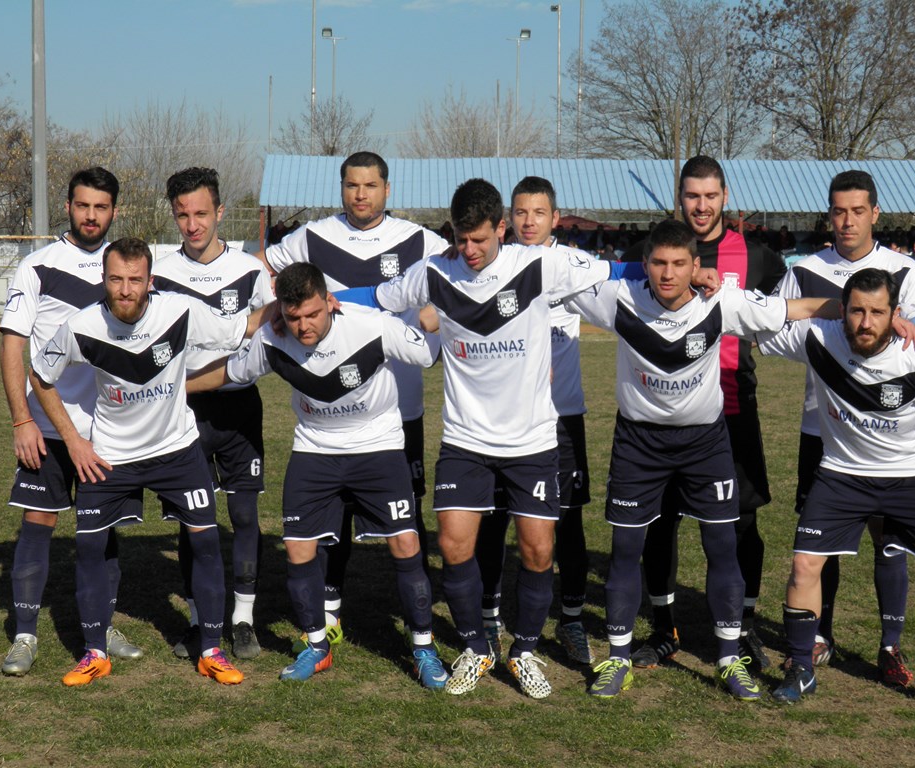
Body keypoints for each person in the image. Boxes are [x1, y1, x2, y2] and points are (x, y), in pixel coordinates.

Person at [337, 177, 627, 698]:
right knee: (452, 545)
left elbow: (622, 271)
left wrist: (694, 273)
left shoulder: (538, 266)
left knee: (538, 551)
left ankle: (524, 652)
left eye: (480, 239)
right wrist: (321, 298)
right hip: (465, 438)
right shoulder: (434, 271)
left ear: (501, 229)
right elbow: (375, 297)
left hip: (531, 442)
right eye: (461, 239)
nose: (469, 250)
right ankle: (476, 647)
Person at [568, 219, 836, 700]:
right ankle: (618, 658)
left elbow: (793, 308)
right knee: (626, 550)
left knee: (722, 545)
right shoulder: (618, 299)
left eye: (679, 263)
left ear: (696, 265)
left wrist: (872, 309)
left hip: (705, 444)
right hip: (638, 445)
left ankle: (729, 659)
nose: (667, 273)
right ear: (644, 264)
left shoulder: (721, 302)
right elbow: (550, 279)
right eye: (658, 263)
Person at [189, 262, 448, 688]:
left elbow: (429, 352)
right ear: (281, 311)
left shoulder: (372, 326)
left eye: (312, 314)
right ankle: (316, 645)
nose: (304, 326)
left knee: (405, 542)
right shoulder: (272, 339)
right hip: (315, 450)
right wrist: (174, 387)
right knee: (297, 548)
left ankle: (423, 648)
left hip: (377, 446)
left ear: (330, 302)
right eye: (294, 317)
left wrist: (444, 312)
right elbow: (230, 372)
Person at [28, 237, 273, 686]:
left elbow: (244, 327)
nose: (125, 290)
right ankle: (95, 653)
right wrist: (74, 441)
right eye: (115, 279)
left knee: (205, 542)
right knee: (89, 549)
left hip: (177, 450)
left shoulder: (180, 311)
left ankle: (212, 650)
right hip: (110, 456)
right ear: (104, 279)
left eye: (135, 280)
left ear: (150, 281)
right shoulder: (80, 326)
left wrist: (295, 301)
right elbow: (41, 375)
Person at [259, 151, 448, 650]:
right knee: (333, 515)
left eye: (369, 185)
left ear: (387, 189)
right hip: (330, 408)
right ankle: (330, 606)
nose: (360, 194)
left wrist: (430, 315)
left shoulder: (420, 240)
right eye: (351, 185)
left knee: (406, 515)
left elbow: (458, 280)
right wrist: (275, 305)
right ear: (341, 188)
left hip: (397, 408)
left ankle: (415, 615)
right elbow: (261, 268)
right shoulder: (312, 237)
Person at [759, 268, 915, 714]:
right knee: (804, 564)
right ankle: (800, 668)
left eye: (877, 312)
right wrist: (819, 308)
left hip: (913, 476)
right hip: (841, 474)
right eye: (856, 311)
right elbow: (758, 326)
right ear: (842, 310)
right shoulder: (818, 337)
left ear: (896, 314)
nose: (866, 323)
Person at [623, 156, 788, 671]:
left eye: (710, 195)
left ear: (725, 196)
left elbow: (787, 308)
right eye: (692, 196)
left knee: (742, 523)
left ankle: (744, 627)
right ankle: (664, 628)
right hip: (664, 413)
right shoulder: (653, 253)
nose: (701, 205)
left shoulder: (759, 257)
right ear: (680, 197)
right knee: (660, 522)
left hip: (733, 406)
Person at [774, 170, 915, 686]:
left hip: (888, 437)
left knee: (889, 542)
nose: (848, 221)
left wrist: (898, 325)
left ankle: (890, 646)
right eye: (839, 211)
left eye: (858, 211)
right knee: (821, 543)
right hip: (822, 430)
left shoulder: (904, 269)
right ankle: (818, 636)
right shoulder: (804, 271)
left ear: (875, 213)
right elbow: (773, 326)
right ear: (829, 214)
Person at [0, 167, 142, 676]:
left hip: (110, 431)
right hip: (48, 426)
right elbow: (13, 345)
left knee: (104, 531)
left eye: (101, 207)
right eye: (83, 205)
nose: (91, 215)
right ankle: (25, 635)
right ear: (68, 207)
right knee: (38, 523)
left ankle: (102, 627)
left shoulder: (125, 269)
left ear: (114, 211)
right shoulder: (38, 266)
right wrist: (22, 420)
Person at [474, 176, 596, 666]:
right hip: (504, 419)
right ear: (509, 218)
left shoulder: (572, 266)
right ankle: (489, 617)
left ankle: (571, 620)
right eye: (521, 212)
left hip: (562, 418)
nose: (529, 221)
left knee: (567, 522)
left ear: (555, 218)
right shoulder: (493, 265)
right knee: (495, 521)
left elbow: (633, 277)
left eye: (539, 212)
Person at [152, 167, 273, 661]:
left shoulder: (250, 270)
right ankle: (200, 619)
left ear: (220, 212)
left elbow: (276, 322)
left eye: (201, 213)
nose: (192, 224)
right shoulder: (161, 273)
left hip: (240, 409)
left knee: (243, 515)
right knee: (193, 520)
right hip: (184, 411)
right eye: (182, 214)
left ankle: (243, 621)